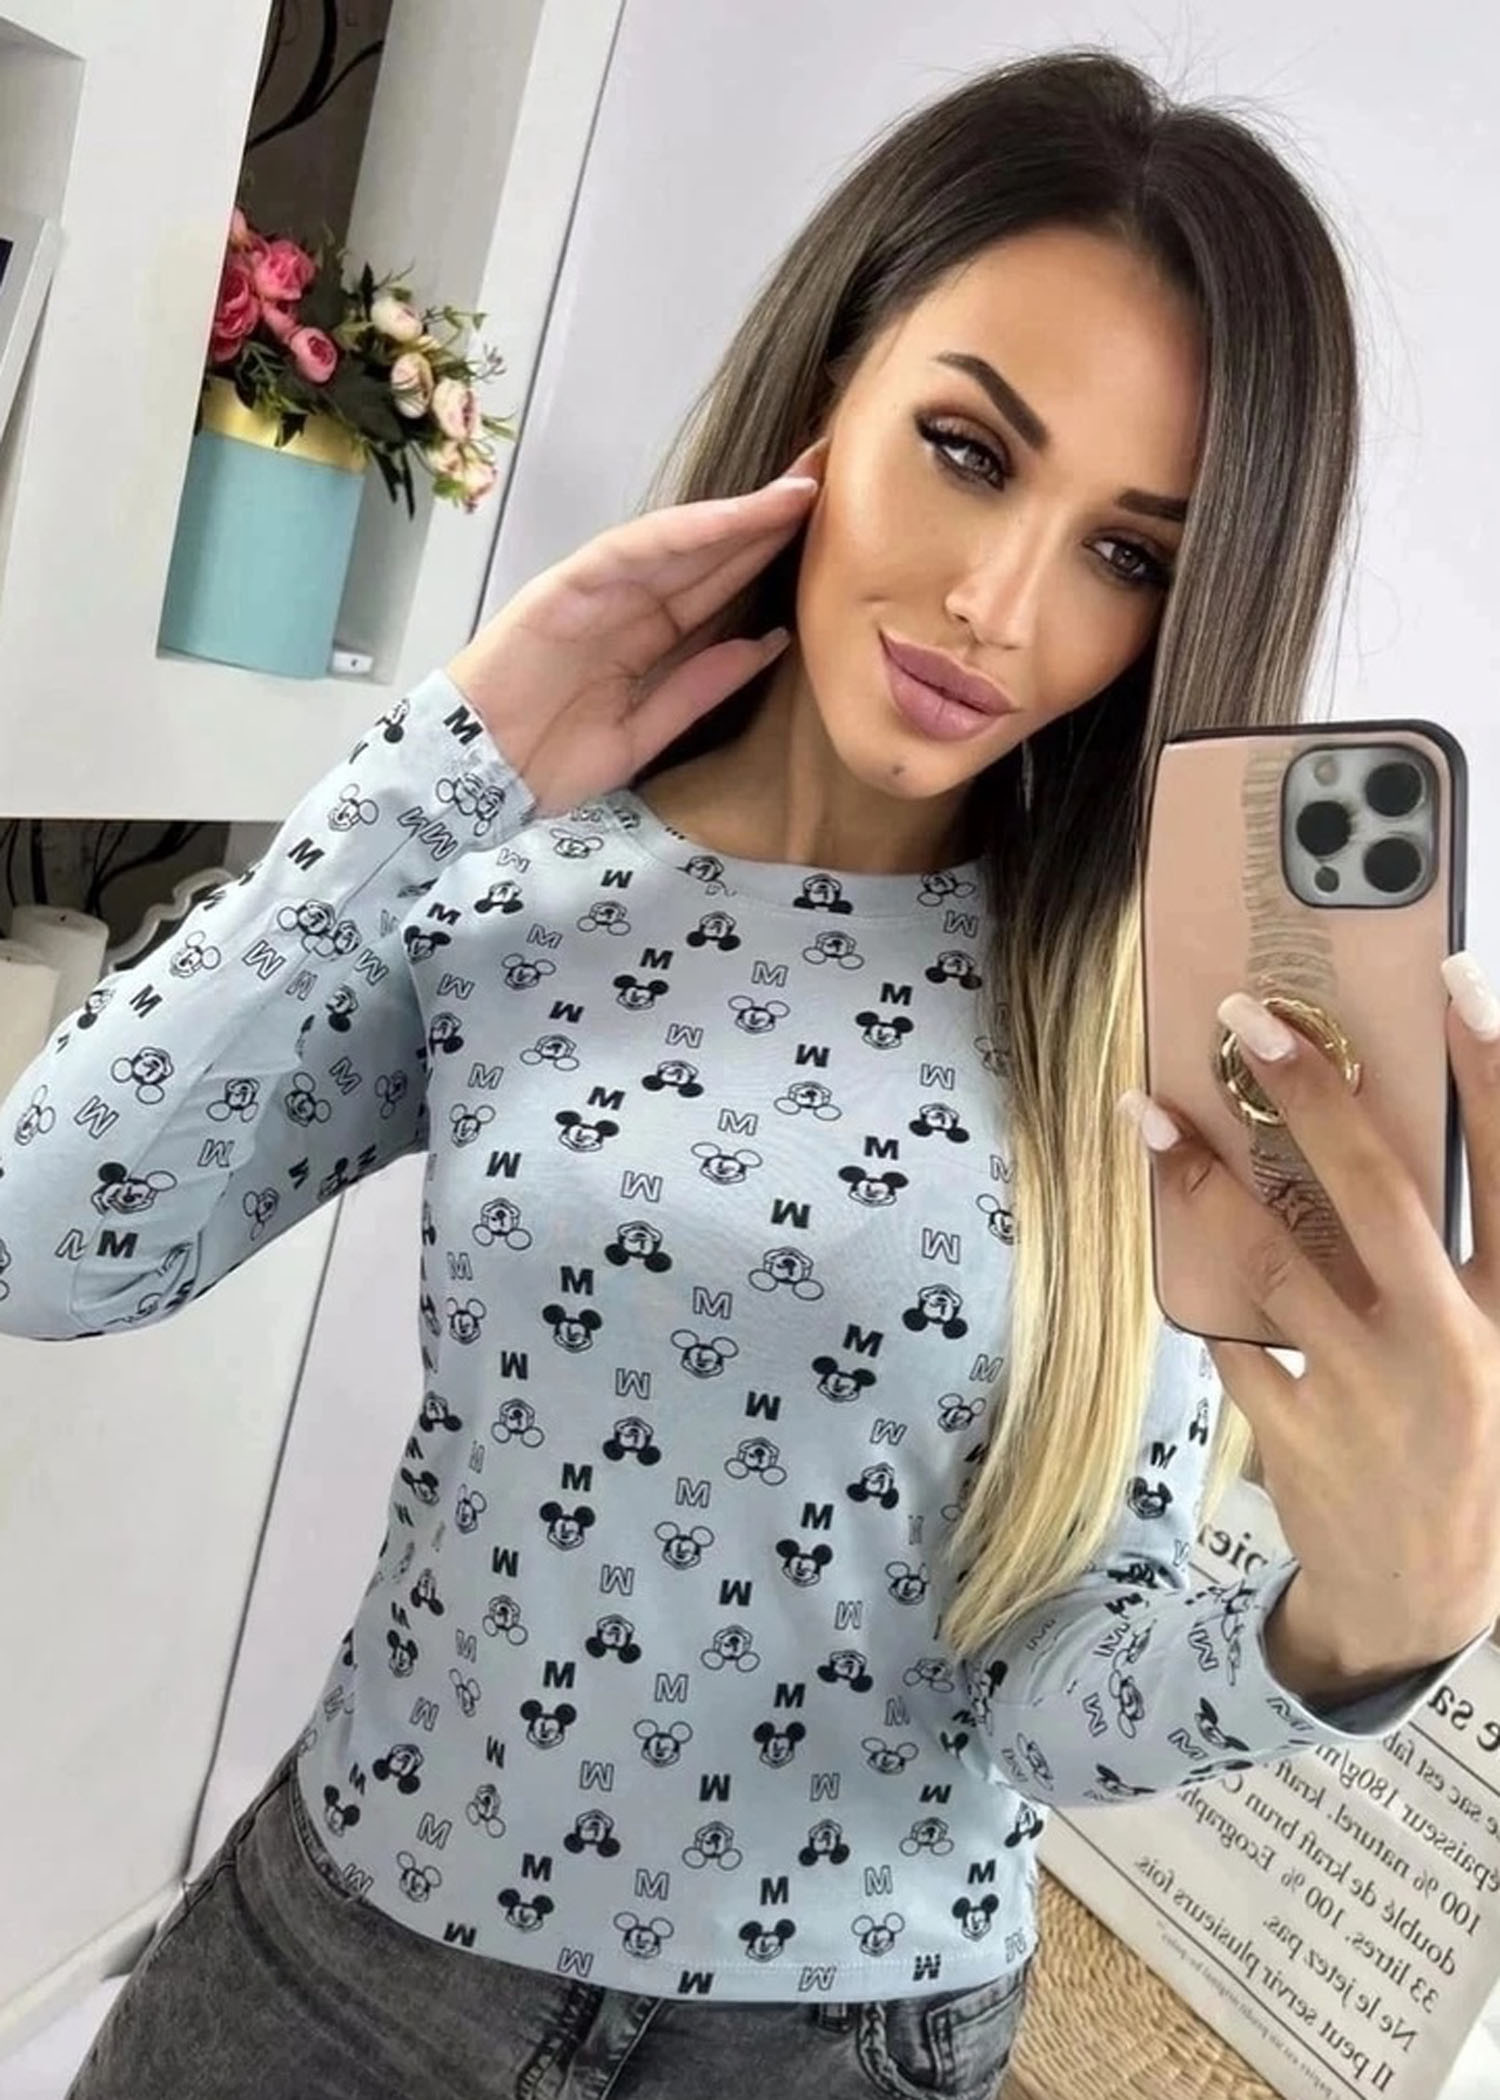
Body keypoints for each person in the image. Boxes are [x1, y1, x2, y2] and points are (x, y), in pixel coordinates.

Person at [0, 43, 1483, 2100]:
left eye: (1130, 556)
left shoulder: (1141, 1023)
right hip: (342, 1976)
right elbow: (49, 1241)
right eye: (968, 450)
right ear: (837, 383)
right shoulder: (504, 870)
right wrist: (444, 760)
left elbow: (1045, 1710)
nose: (999, 606)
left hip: (841, 2051)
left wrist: (1361, 1627)